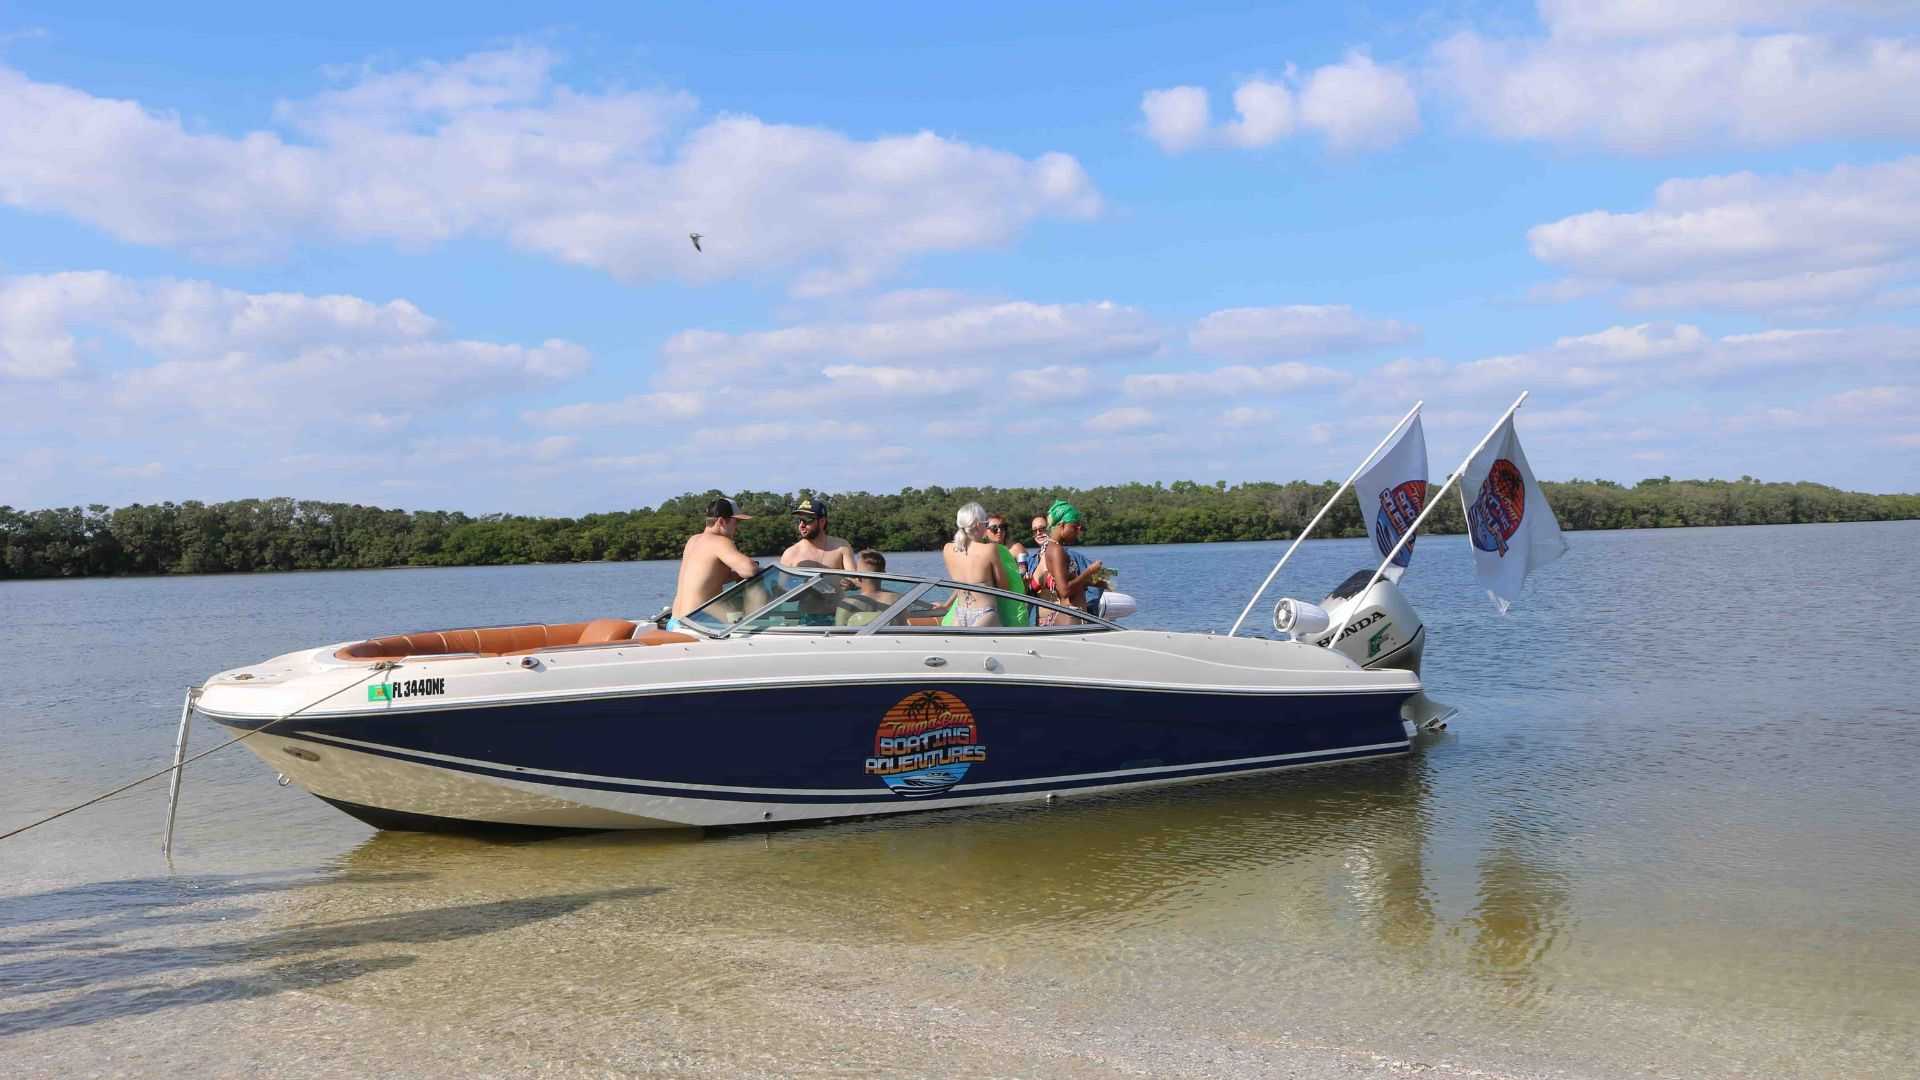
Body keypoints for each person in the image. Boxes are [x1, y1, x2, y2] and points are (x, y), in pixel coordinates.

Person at [669, 497, 760, 627]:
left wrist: (734, 574)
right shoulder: (720, 541)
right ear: (722, 521)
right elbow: (749, 570)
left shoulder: (693, 540)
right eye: (736, 522)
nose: (737, 528)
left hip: (674, 621)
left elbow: (706, 579)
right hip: (694, 625)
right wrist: (756, 565)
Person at [1033, 499, 1104, 624]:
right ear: (1062, 525)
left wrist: (1091, 581)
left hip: (1071, 615)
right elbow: (1064, 591)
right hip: (1071, 617)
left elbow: (1066, 584)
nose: (1078, 530)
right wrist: (1089, 571)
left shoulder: (1052, 547)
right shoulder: (1056, 551)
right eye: (1074, 526)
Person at [941, 502, 1008, 626]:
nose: (987, 527)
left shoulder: (947, 549)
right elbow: (1004, 586)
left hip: (960, 613)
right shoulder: (989, 549)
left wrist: (946, 605)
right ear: (978, 524)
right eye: (986, 524)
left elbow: (962, 584)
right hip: (985, 614)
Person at [781, 495, 857, 570]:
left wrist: (848, 581)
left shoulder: (842, 547)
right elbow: (781, 582)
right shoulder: (790, 554)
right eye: (799, 520)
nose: (801, 525)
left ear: (822, 521)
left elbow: (854, 580)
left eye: (806, 520)